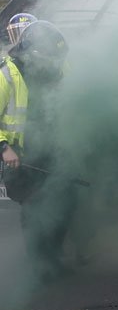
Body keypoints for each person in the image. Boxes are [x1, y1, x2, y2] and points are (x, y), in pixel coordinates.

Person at [1, 21, 72, 280]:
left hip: (52, 149)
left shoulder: (54, 69)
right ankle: (40, 266)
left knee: (63, 202)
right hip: (20, 156)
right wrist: (4, 148)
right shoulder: (6, 75)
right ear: (32, 52)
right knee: (33, 210)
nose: (53, 64)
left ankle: (54, 256)